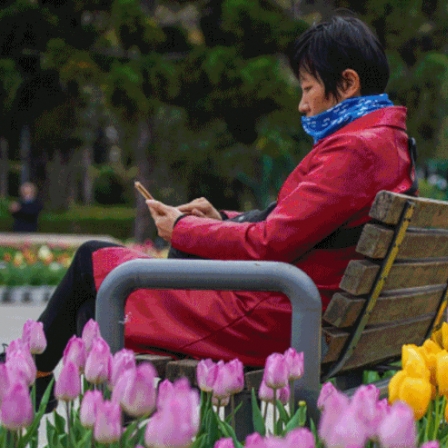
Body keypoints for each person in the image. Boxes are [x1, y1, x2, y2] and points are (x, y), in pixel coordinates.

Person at [25, 13, 415, 390]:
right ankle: (45, 386)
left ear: (347, 83)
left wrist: (183, 231)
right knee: (92, 310)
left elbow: (271, 243)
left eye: (308, 88)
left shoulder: (355, 152)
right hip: (298, 309)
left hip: (273, 318)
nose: (302, 105)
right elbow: (297, 227)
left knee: (91, 264)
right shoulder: (386, 143)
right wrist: (222, 220)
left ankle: (27, 380)